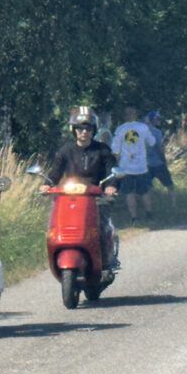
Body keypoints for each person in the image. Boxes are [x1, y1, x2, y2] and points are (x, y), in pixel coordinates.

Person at [42, 106, 118, 265]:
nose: (84, 132)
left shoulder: (102, 150)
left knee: (101, 226)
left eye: (88, 128)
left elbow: (112, 171)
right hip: (70, 198)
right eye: (80, 128)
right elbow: (55, 172)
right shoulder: (65, 151)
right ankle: (56, 253)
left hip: (96, 197)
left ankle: (106, 259)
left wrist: (110, 186)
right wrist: (47, 184)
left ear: (94, 130)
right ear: (73, 130)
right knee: (55, 225)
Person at [111, 106, 157, 222]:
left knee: (129, 194)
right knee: (144, 192)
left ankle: (134, 218)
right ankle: (149, 215)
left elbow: (115, 150)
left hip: (125, 168)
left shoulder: (120, 129)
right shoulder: (143, 127)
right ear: (136, 115)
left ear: (125, 116)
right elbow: (152, 142)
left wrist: (117, 164)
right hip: (142, 167)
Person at [143, 109, 175, 207]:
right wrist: (164, 161)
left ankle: (148, 207)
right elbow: (159, 148)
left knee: (147, 187)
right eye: (157, 119)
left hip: (145, 164)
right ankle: (173, 205)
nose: (159, 120)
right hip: (157, 163)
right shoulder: (157, 132)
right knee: (170, 185)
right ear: (152, 120)